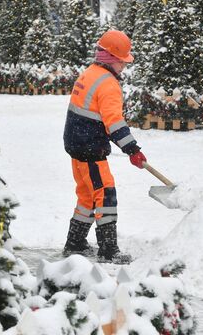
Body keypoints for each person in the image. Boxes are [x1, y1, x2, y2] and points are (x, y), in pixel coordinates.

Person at [62, 30, 146, 264]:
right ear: (112, 59)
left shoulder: (89, 74)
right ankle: (108, 249)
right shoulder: (108, 84)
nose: (124, 67)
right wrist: (133, 150)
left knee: (87, 195)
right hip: (90, 149)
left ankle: (75, 242)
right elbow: (114, 122)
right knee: (105, 193)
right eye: (122, 62)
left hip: (76, 146)